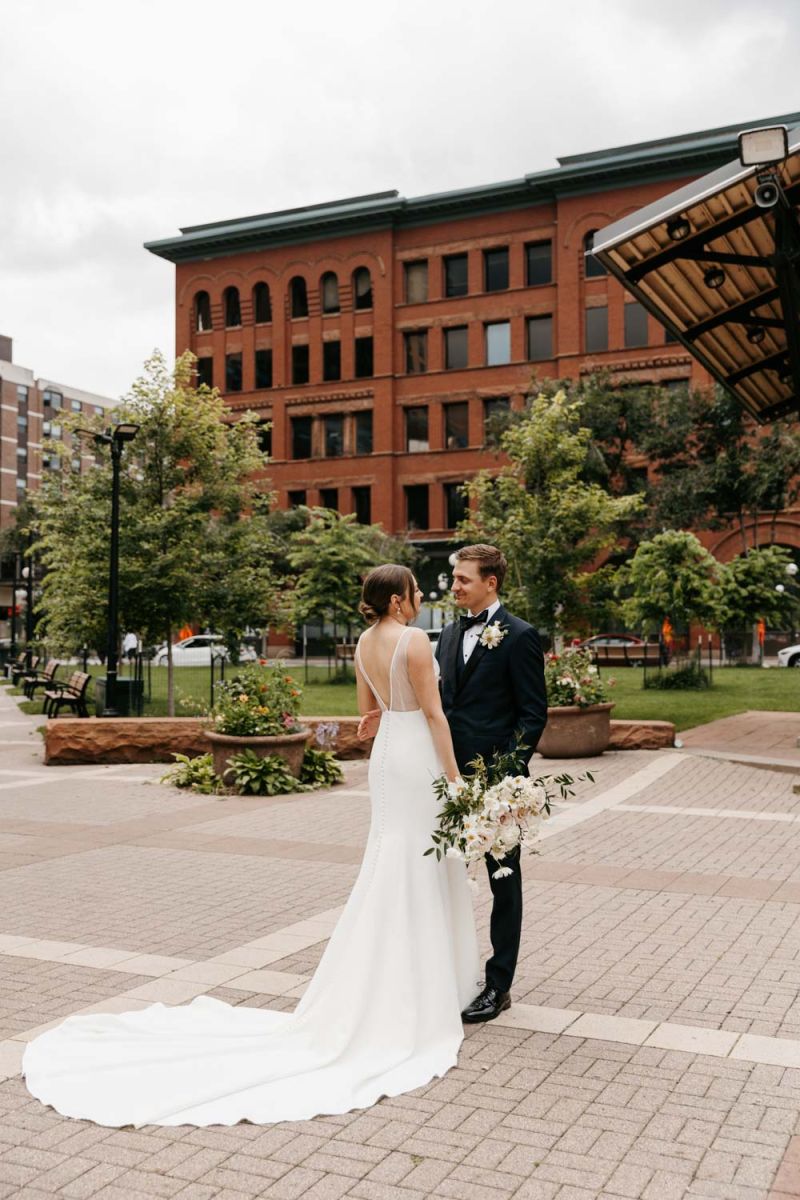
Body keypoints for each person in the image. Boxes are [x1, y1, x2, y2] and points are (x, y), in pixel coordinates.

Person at [21, 565, 479, 1128]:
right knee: (418, 860)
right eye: (411, 592)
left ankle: (383, 974)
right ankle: (420, 983)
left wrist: (383, 723)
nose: (416, 600)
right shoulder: (413, 642)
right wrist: (456, 779)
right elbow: (433, 715)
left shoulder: (363, 643)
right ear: (396, 598)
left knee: (390, 859)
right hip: (416, 757)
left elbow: (367, 719)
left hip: (386, 759)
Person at [360, 543, 547, 1024]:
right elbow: (433, 704)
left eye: (464, 579)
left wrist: (506, 775)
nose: (454, 586)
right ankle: (435, 972)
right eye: (454, 578)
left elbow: (531, 714)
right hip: (437, 778)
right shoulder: (442, 635)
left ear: (491, 583)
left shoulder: (521, 637)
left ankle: (498, 984)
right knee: (435, 875)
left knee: (503, 880)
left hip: (492, 780)